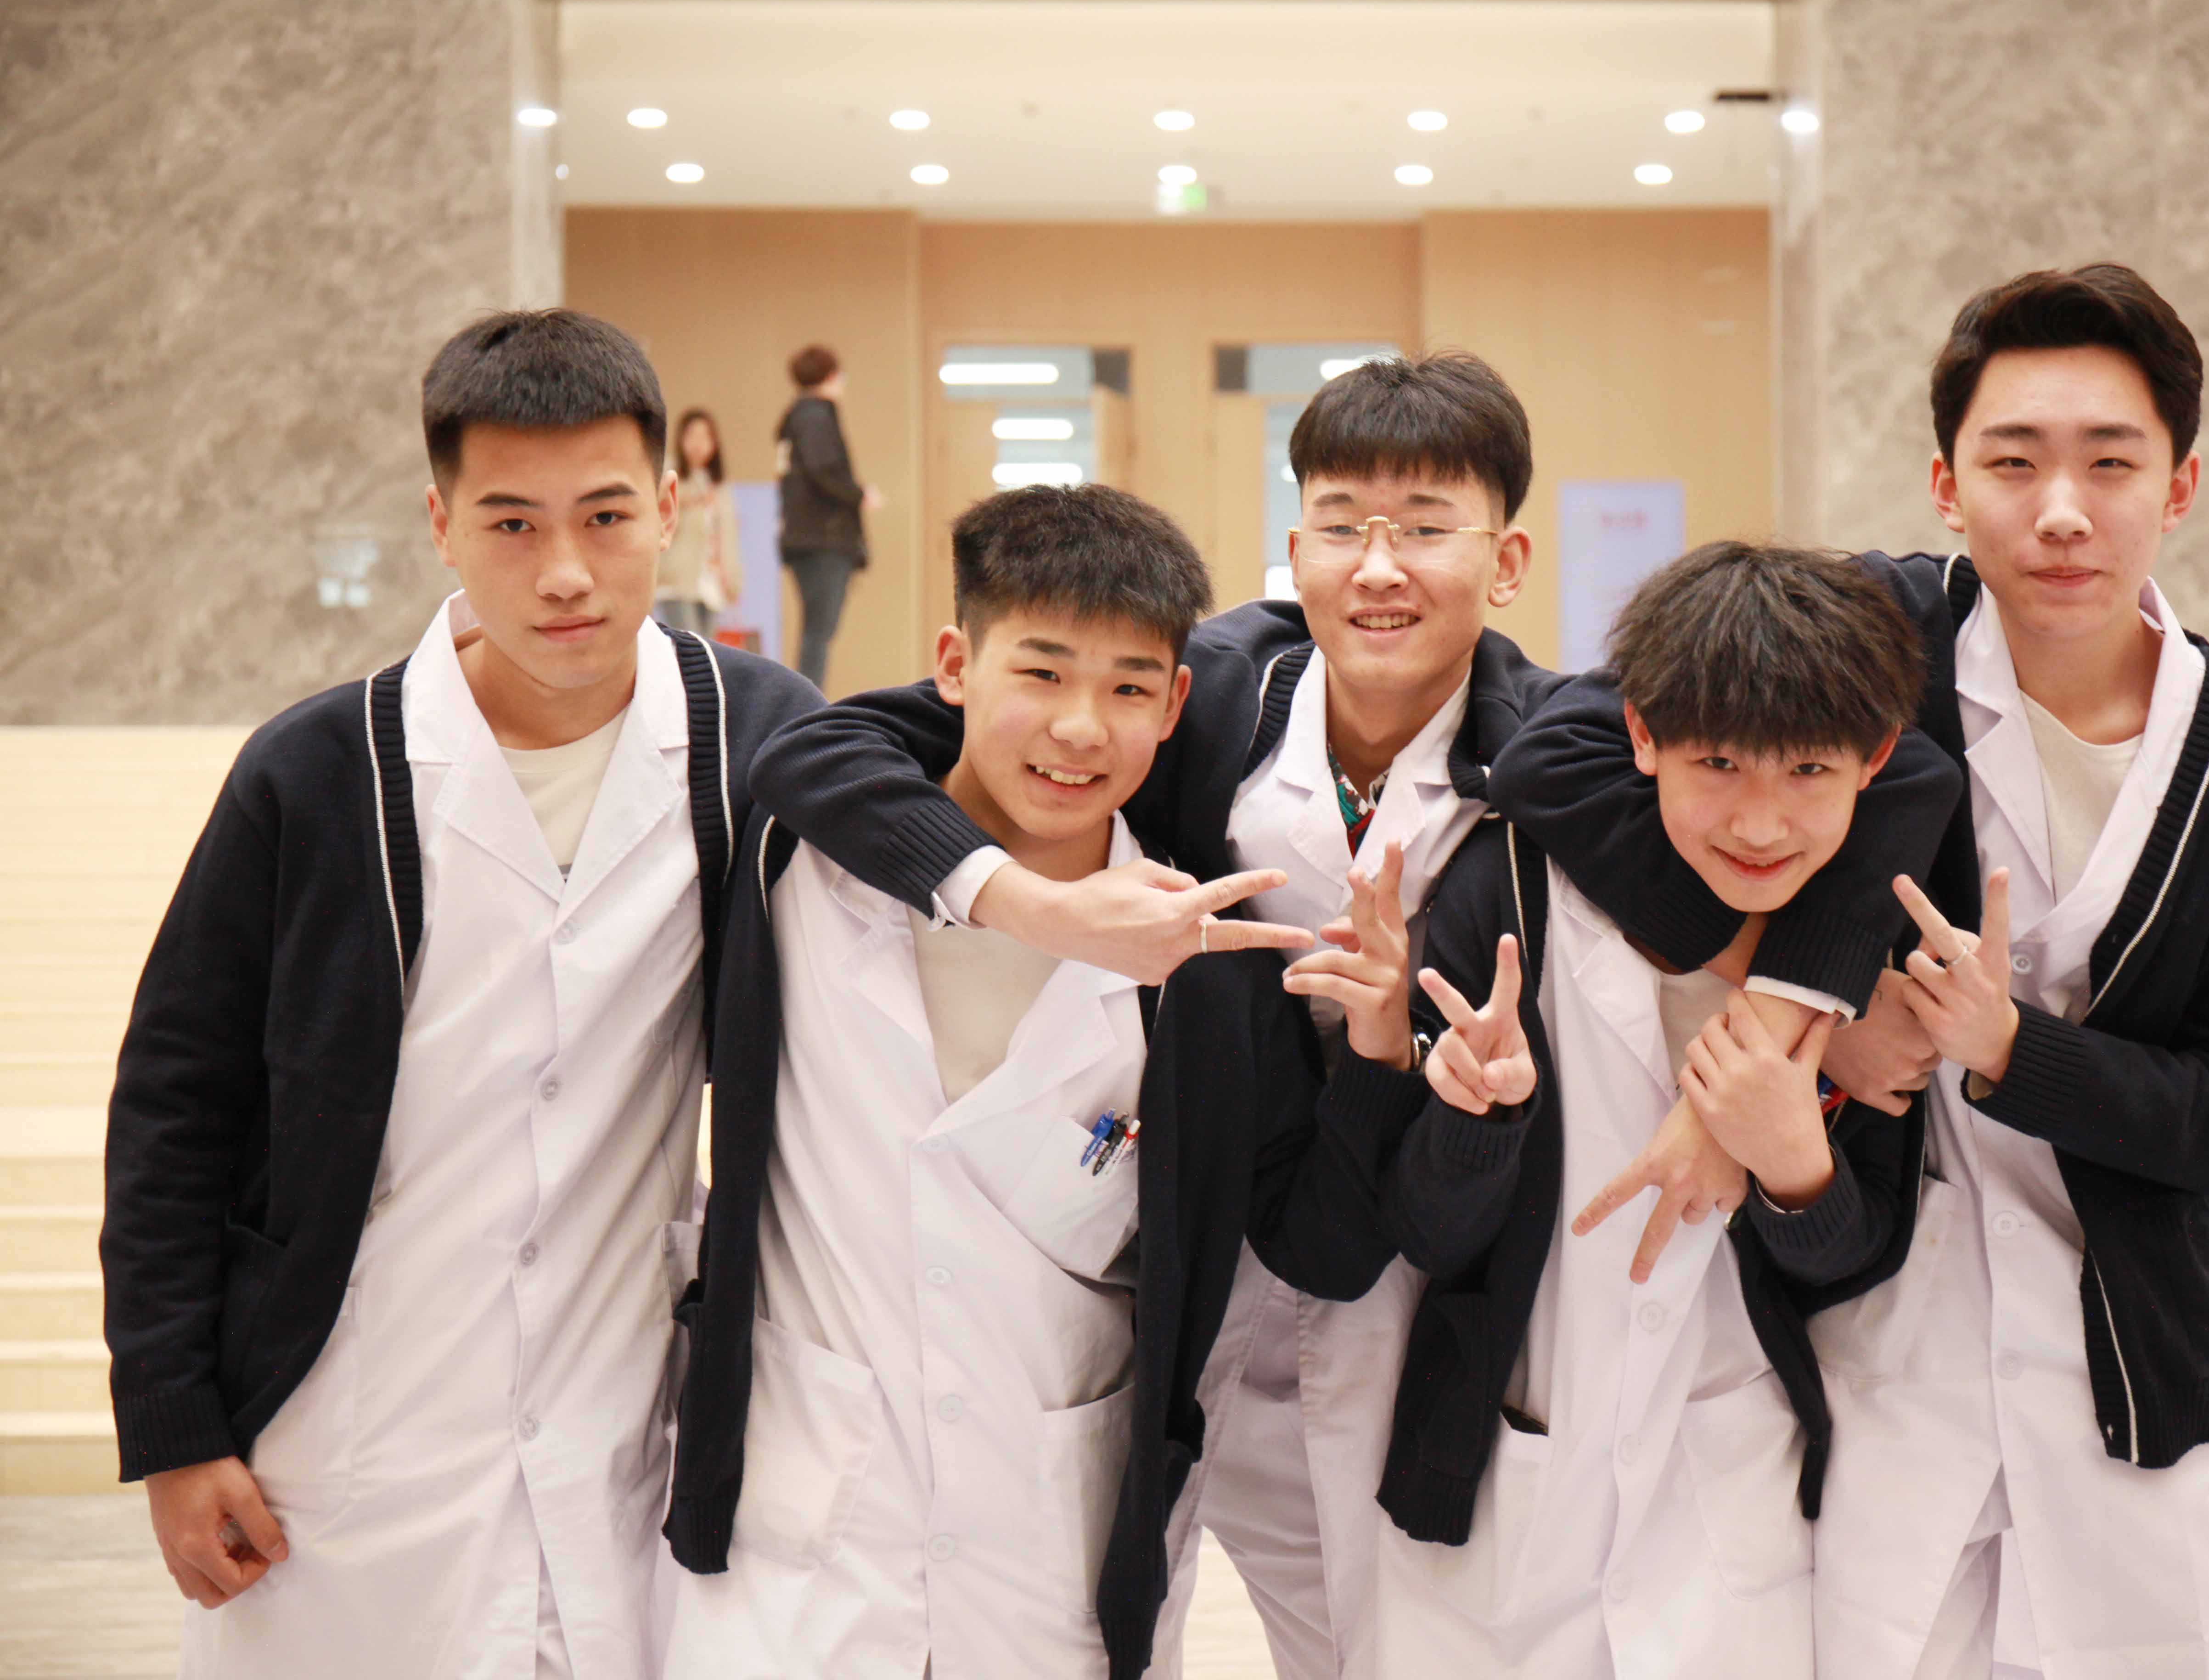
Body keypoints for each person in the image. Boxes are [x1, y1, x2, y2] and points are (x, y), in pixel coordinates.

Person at [743, 352, 1965, 1679]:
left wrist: (1798, 995)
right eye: (1341, 526)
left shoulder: (1553, 749)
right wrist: (1035, 907)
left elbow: (1877, 781)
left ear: (1507, 561)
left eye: (1428, 528)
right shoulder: (1200, 697)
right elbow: (826, 749)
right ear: (1294, 552)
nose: (1380, 568)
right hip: (1196, 1244)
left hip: (1413, 1261)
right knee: (1120, 1591)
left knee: (1383, 1635)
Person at [1491, 264, 2209, 1679]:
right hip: (1876, 1337)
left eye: (2110, 462)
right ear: (1946, 484)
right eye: (2013, 462)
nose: (2060, 510)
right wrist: (1794, 992)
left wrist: (2008, 1051)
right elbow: (1557, 753)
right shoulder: (1880, 633)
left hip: (2134, 1362)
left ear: (2179, 487)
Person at [100, 309, 820, 1679]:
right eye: (511, 524)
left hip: (625, 1441)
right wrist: (176, 1425)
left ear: (670, 508)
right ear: (440, 525)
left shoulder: (754, 738)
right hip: (343, 1455)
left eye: (606, 516)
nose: (566, 573)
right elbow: (175, 1109)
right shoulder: (317, 771)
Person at [659, 484, 1405, 1675]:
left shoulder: (1207, 974)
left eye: (1128, 690)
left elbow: (1315, 1244)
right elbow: (811, 750)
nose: (1080, 729)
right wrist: (1030, 905)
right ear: (956, 665)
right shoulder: (800, 864)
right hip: (792, 1535)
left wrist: (1382, 1061)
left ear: (1176, 706)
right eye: (1042, 673)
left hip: (1053, 1554)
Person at [1357, 541, 1942, 1677]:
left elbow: (1854, 1259)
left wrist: (1794, 1164)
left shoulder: (1858, 956)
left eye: (1809, 772)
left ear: (1872, 762)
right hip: (1503, 1479)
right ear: (1640, 736)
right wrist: (1480, 1123)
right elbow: (1425, 1234)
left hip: (1737, 1493)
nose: (1761, 823)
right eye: (1717, 762)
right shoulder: (1509, 891)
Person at [776, 344, 879, 688]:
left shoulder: (797, 418)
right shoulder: (816, 417)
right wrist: (859, 494)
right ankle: (809, 705)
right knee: (819, 632)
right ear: (832, 376)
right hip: (823, 539)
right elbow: (824, 470)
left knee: (816, 630)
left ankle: (807, 700)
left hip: (805, 538)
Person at [653, 407, 742, 637]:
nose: (698, 444)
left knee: (705, 647)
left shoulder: (718, 484)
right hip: (677, 581)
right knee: (688, 643)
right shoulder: (669, 474)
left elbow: (728, 535)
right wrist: (686, 504)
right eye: (692, 435)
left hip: (710, 583)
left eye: (705, 437)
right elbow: (656, 523)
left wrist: (732, 580)